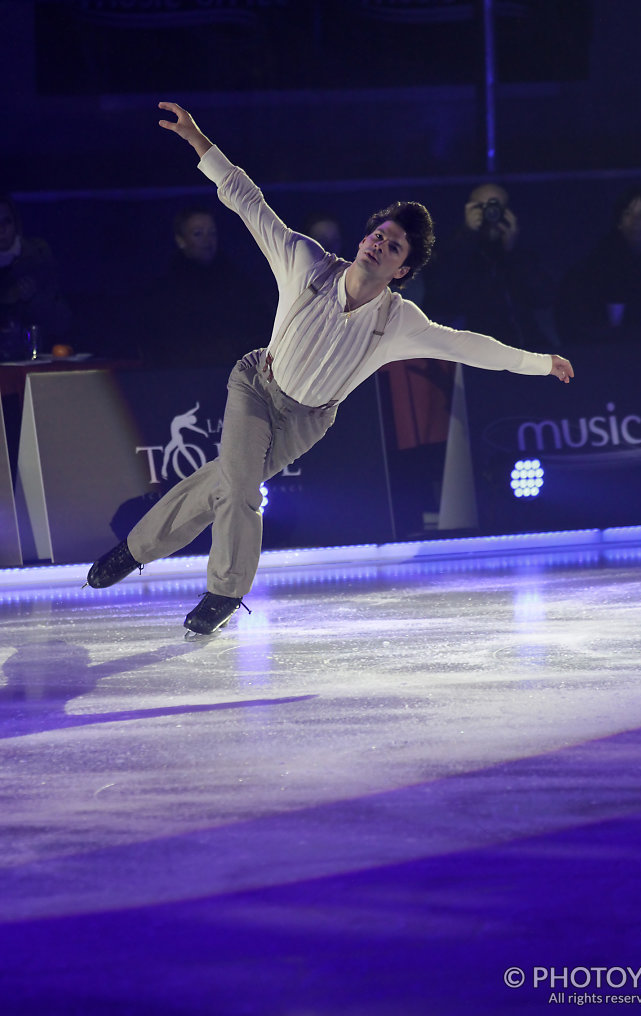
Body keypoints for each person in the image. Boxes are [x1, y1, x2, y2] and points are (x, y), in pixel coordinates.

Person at [86, 102, 574, 638]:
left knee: (220, 486)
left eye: (392, 247)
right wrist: (199, 141)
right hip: (256, 385)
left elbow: (468, 346)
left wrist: (539, 363)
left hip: (305, 422)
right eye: (377, 235)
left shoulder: (399, 321)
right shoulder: (305, 261)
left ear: (401, 269)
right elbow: (250, 204)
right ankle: (224, 592)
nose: (378, 245)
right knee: (241, 487)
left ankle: (133, 550)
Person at [424, 182, 557, 351]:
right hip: (471, 353)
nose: (490, 213)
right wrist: (467, 235)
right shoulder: (451, 250)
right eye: (481, 207)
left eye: (496, 207)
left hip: (520, 350)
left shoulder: (521, 254)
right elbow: (439, 294)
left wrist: (512, 252)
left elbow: (544, 297)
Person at [136, 205, 271, 368]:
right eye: (197, 233)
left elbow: (256, 326)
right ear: (181, 240)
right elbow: (160, 339)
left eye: (212, 233)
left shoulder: (236, 282)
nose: (207, 240)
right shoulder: (166, 290)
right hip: (181, 375)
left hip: (231, 373)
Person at [555, 185, 641, 346]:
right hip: (604, 356)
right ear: (619, 222)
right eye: (628, 213)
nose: (635, 221)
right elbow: (576, 322)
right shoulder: (594, 267)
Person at [0, 194, 71, 359]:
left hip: (34, 356)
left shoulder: (37, 257)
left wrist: (33, 299)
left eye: (6, 221)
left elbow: (61, 320)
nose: (1, 229)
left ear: (16, 224)